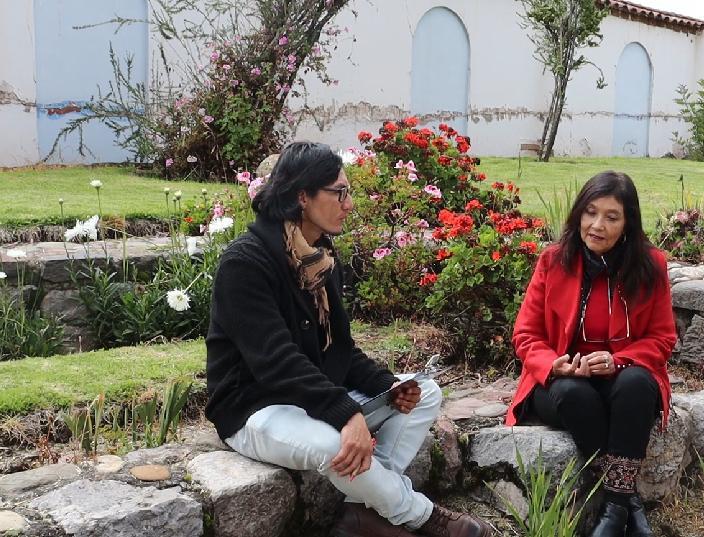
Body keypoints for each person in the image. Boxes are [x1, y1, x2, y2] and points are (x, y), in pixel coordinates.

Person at [205, 141, 494, 537]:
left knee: (424, 393)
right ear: (302, 196)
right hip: (255, 408)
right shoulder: (245, 263)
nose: (349, 203)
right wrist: (346, 413)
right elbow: (276, 362)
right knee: (330, 444)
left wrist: (388, 387)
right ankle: (423, 516)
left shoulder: (320, 260)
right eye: (339, 192)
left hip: (308, 399)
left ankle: (361, 511)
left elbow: (340, 351)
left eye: (348, 192)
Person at [506, 171, 676, 537]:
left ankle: (614, 509)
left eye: (611, 217)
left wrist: (619, 360)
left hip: (620, 377)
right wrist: (554, 364)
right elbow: (525, 334)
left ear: (628, 222)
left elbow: (662, 338)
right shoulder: (553, 261)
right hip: (562, 381)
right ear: (578, 214)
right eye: (590, 212)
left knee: (635, 385)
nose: (597, 225)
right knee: (573, 393)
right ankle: (628, 502)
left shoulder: (651, 266)